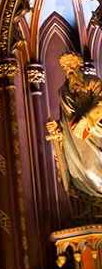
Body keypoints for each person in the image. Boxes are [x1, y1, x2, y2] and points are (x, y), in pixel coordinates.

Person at [47, 52, 102, 201]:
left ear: (79, 65)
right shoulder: (62, 92)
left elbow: (101, 103)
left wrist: (86, 120)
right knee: (86, 173)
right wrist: (57, 126)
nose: (68, 69)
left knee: (97, 170)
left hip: (96, 132)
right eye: (65, 66)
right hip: (75, 141)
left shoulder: (93, 82)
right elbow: (66, 119)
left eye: (70, 65)